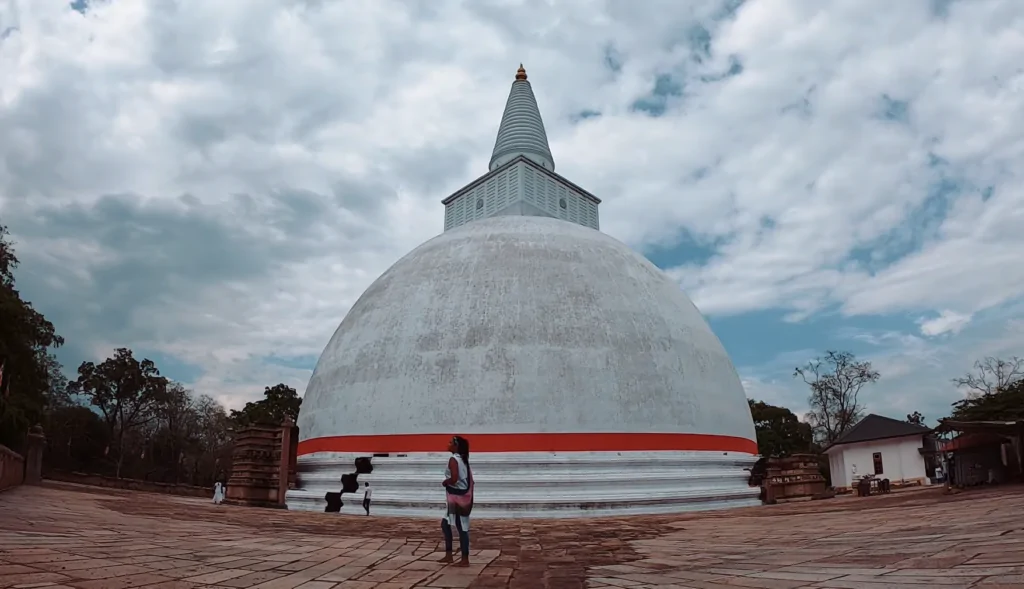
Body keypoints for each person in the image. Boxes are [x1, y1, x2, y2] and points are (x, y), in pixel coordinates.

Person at [439, 435, 473, 567]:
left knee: (461, 527)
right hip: (461, 497)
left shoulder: (454, 459)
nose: (448, 444)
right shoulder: (463, 460)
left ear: (456, 446)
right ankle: (449, 555)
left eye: (450, 442)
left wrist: (445, 482)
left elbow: (454, 478)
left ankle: (465, 558)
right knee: (446, 524)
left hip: (457, 499)